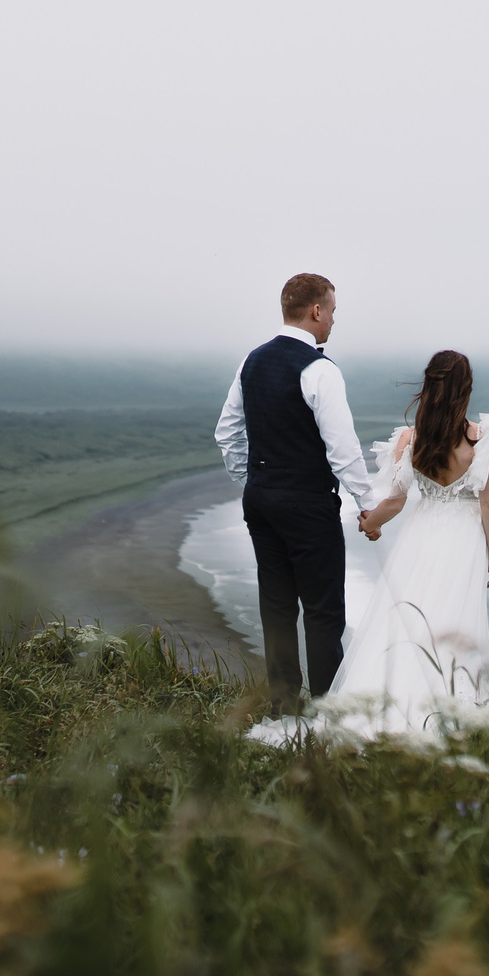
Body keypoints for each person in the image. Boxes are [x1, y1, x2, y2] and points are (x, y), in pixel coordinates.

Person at [215, 273, 372, 713]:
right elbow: (343, 451)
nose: (334, 322)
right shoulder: (320, 370)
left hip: (261, 499)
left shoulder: (252, 360)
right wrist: (370, 506)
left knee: (277, 606)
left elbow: (226, 432)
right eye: (333, 312)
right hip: (308, 503)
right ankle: (326, 714)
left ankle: (283, 707)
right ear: (316, 311)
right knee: (323, 612)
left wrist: (252, 479)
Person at [328, 349, 489, 739]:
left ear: (429, 387)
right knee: (457, 624)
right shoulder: (481, 439)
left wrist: (370, 523)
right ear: (466, 390)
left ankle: (383, 708)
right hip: (464, 542)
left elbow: (395, 499)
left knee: (405, 621)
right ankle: (454, 717)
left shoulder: (412, 439)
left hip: (419, 538)